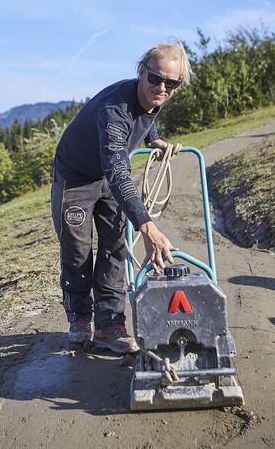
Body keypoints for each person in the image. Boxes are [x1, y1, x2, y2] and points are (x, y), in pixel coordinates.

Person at [51, 41, 192, 354]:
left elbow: (149, 115)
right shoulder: (115, 110)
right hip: (76, 178)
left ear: (177, 86)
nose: (162, 87)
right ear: (141, 72)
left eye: (171, 83)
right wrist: (147, 225)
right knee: (78, 251)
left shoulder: (157, 95)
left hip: (108, 175)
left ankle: (109, 325)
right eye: (155, 79)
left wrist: (153, 138)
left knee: (115, 247)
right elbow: (116, 170)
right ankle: (80, 318)